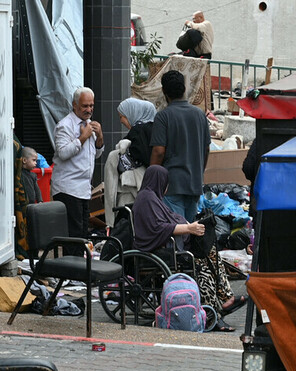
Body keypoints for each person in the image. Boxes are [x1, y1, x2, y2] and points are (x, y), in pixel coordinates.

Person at [133, 165, 247, 331]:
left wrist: (189, 225)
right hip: (157, 249)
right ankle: (211, 313)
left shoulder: (153, 198)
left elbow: (170, 219)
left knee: (210, 252)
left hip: (167, 245)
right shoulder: (147, 198)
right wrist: (188, 228)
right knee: (199, 265)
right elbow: (158, 228)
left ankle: (224, 298)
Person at [150, 70, 211, 223]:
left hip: (172, 185)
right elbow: (206, 149)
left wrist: (152, 179)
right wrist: (199, 173)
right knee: (190, 228)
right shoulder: (199, 115)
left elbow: (158, 152)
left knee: (176, 229)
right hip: (194, 183)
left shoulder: (163, 116)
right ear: (184, 89)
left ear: (164, 91)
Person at [51, 87, 105, 246]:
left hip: (84, 189)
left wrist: (99, 137)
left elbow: (96, 154)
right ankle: (73, 261)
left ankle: (80, 260)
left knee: (82, 234)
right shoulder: (65, 125)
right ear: (75, 105)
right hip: (68, 188)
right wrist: (83, 137)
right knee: (73, 235)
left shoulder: (89, 124)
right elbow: (63, 153)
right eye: (85, 106)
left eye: (91, 106)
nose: (89, 110)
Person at [103, 98, 156, 227]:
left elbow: (124, 164)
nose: (121, 121)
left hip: (132, 191)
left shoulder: (137, 132)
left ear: (133, 113)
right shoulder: (158, 131)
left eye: (122, 117)